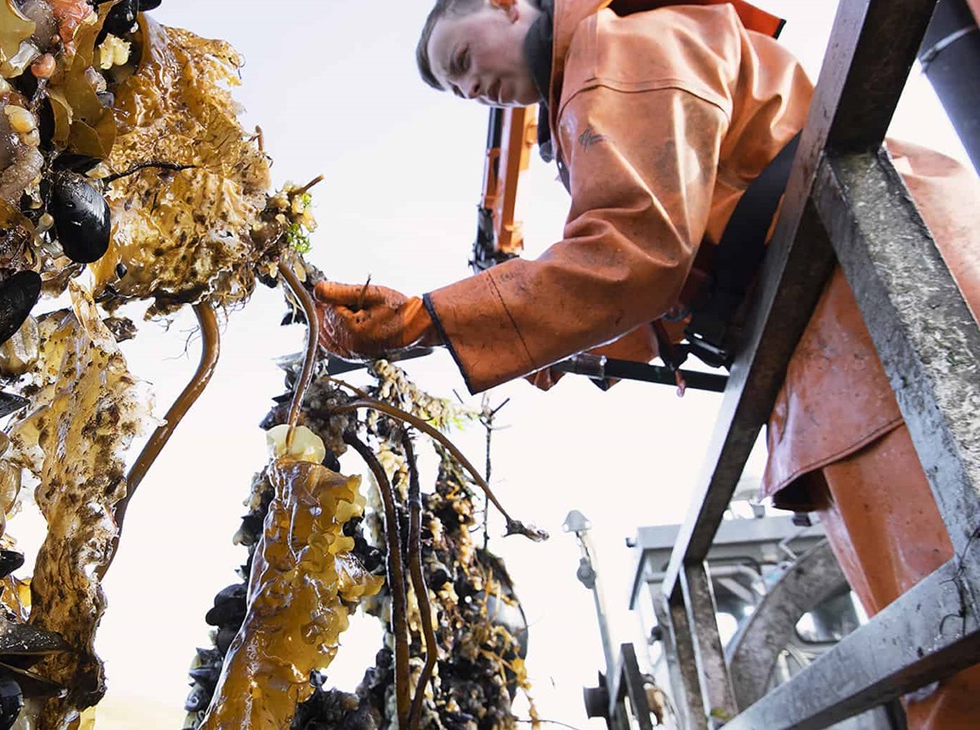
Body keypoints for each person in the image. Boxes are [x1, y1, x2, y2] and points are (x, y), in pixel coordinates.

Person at [311, 0, 980, 727]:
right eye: (457, 92)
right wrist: (562, 341)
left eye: (463, 63)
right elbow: (666, 268)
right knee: (930, 634)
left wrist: (425, 318)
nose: (472, 92)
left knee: (952, 629)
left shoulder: (618, 37)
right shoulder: (600, 75)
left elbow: (634, 251)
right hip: (825, 321)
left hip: (870, 289)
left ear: (507, 6)